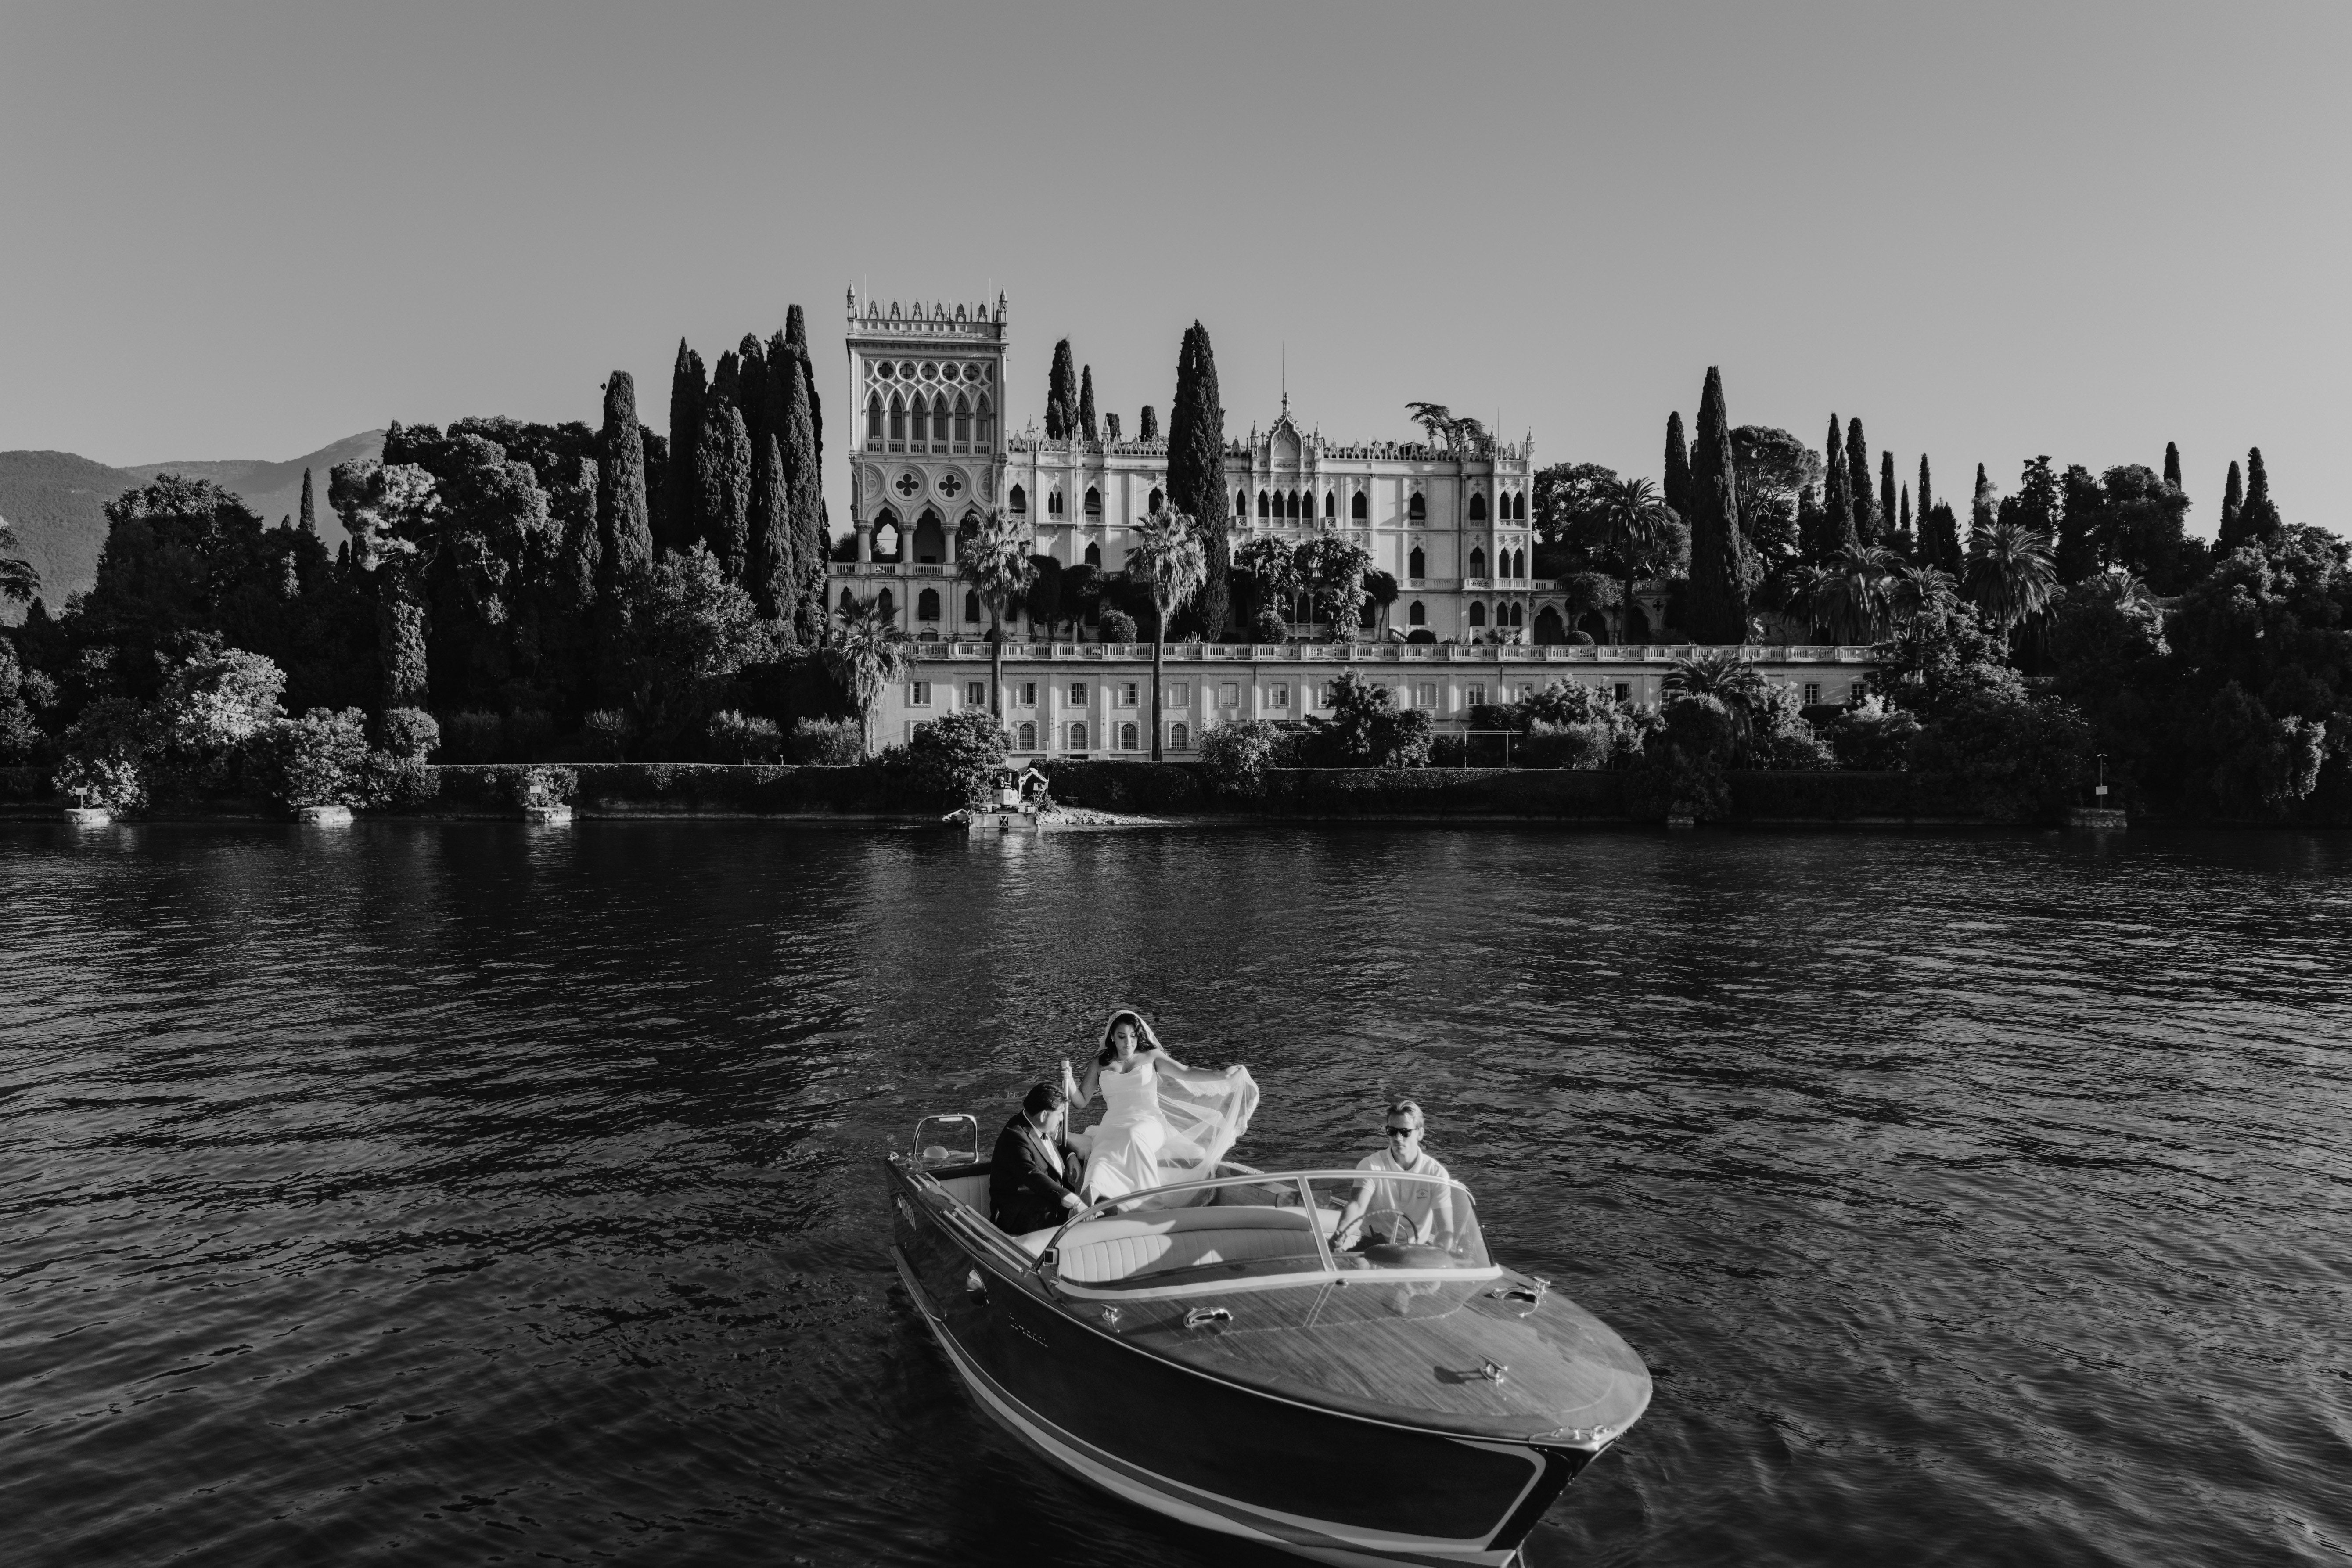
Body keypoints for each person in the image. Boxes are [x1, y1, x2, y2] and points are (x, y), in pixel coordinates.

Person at [1069, 1008, 1259, 1205]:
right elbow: (1081, 1101)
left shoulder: (1151, 1057)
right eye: (1122, 1036)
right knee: (1102, 1154)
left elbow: (1186, 1072)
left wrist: (1223, 1075)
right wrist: (1068, 1081)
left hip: (1149, 1122)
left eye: (1133, 1036)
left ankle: (1149, 1203)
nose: (1129, 1042)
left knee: (1134, 1135)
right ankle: (1090, 1197)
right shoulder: (1100, 1063)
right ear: (1112, 1037)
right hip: (1113, 1124)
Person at [1334, 1099, 1460, 1251]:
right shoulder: (1371, 1165)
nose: (1398, 1138)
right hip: (1373, 1247)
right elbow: (1357, 1206)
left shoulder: (1437, 1173)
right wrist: (1341, 1233)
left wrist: (1441, 1254)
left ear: (1420, 1134)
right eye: (1392, 1132)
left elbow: (1445, 1228)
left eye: (1405, 1133)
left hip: (1415, 1252)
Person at [989, 1082, 1085, 1237]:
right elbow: (1033, 1176)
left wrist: (1070, 1155)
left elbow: (1048, 1147)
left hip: (1044, 1203)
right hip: (1017, 1211)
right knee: (1048, 1206)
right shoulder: (1015, 1137)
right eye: (1060, 1114)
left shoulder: (1035, 1124)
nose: (1061, 1119)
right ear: (1044, 1115)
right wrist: (1073, 1201)